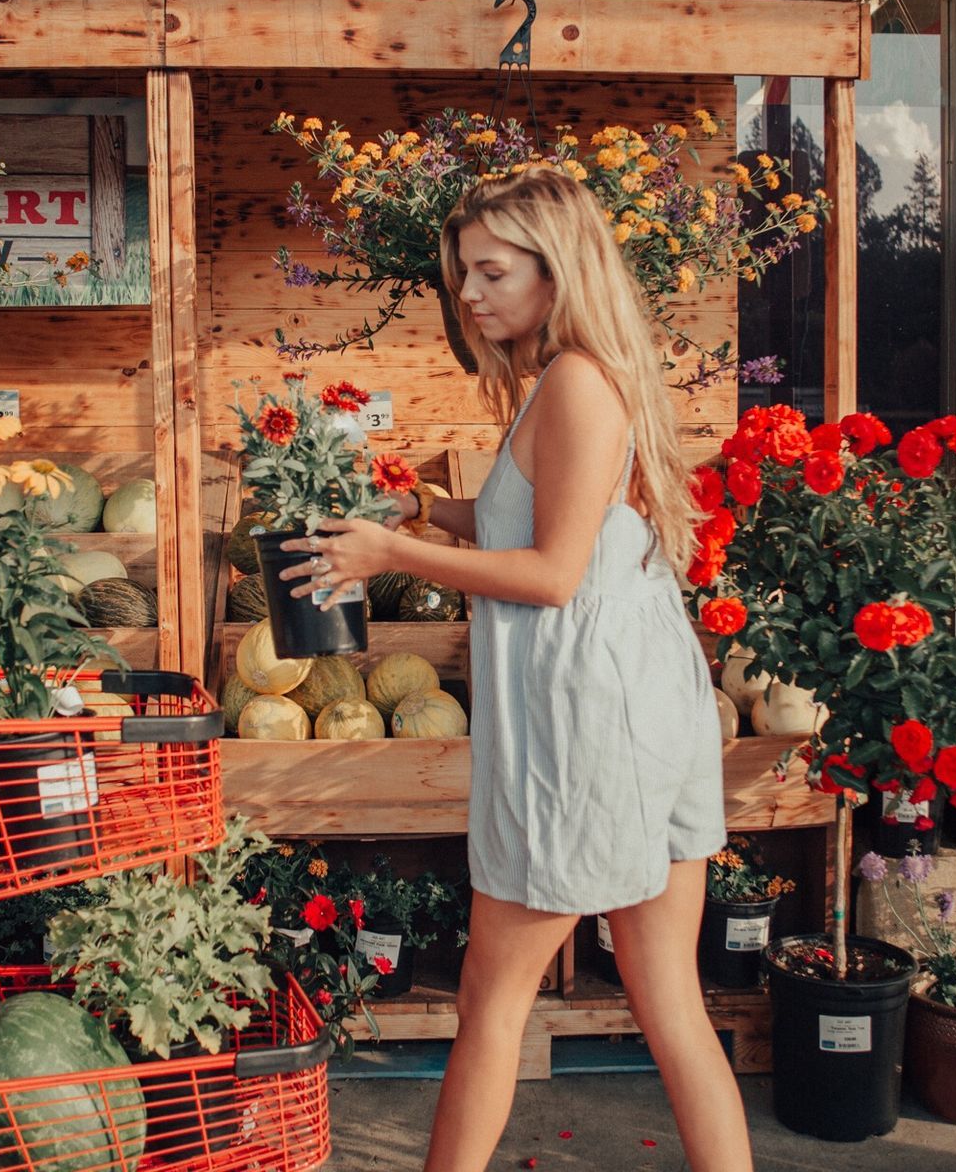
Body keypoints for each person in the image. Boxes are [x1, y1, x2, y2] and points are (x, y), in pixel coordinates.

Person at [279, 168, 749, 1172]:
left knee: (491, 1001)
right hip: (640, 710)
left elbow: (551, 572)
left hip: (585, 731)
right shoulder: (583, 376)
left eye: (492, 271)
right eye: (464, 273)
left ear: (557, 269)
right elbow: (546, 526)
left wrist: (391, 554)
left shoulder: (575, 383)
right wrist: (428, 512)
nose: (471, 293)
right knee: (670, 1001)